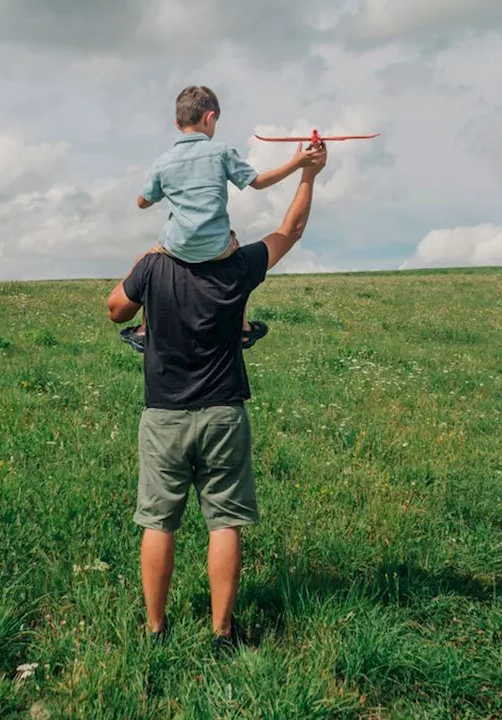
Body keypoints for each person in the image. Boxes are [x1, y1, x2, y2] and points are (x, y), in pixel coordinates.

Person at [105, 138, 329, 651]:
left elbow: (116, 309)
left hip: (163, 414)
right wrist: (309, 175)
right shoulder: (237, 267)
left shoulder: (154, 265)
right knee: (224, 523)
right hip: (223, 411)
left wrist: (144, 264)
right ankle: (222, 633)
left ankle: (155, 631)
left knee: (159, 524)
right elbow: (289, 230)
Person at [120, 85, 319, 352]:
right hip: (218, 249)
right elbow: (258, 182)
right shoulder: (221, 152)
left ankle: (144, 330)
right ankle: (243, 327)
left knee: (146, 263)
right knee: (237, 256)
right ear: (210, 117)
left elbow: (142, 202)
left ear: (177, 124)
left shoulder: (163, 162)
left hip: (176, 247)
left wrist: (156, 193)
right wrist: (298, 164)